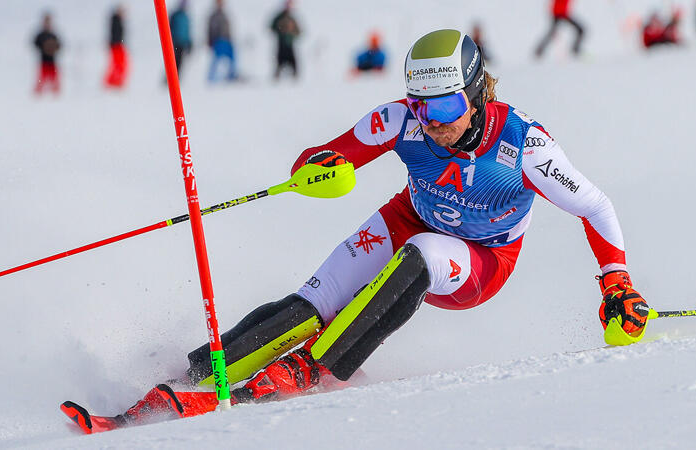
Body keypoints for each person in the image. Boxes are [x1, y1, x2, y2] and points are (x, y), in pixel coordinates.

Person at [69, 29, 650, 426]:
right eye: (422, 108)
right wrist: (315, 167)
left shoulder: (524, 146)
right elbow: (330, 152)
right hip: (409, 218)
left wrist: (616, 284)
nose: (433, 124)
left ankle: (315, 369)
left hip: (480, 262)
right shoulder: (404, 119)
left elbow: (595, 206)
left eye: (446, 108)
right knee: (317, 296)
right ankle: (200, 368)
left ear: (474, 94)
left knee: (421, 253)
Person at [207, 0, 237, 82]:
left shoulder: (224, 14)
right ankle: (211, 78)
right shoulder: (214, 16)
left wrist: (230, 39)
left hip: (227, 40)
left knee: (232, 58)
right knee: (216, 60)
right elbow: (210, 30)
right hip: (218, 41)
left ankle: (231, 76)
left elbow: (228, 29)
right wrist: (210, 41)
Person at [270, 0, 301, 80]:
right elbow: (272, 27)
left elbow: (298, 31)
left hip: (290, 43)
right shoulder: (279, 17)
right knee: (280, 60)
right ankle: (277, 77)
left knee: (293, 61)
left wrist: (292, 34)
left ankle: (295, 77)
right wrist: (280, 32)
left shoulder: (292, 18)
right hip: (281, 43)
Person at [32, 12, 61, 95]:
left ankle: (56, 93)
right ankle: (38, 93)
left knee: (54, 78)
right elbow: (35, 44)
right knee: (41, 78)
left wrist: (54, 48)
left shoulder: (53, 35)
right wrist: (43, 47)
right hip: (43, 61)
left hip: (52, 61)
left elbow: (59, 45)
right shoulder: (40, 35)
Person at [104, 4, 129, 89]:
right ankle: (112, 81)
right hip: (116, 45)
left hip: (117, 44)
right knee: (118, 63)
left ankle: (115, 81)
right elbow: (115, 34)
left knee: (120, 63)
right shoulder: (116, 20)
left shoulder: (117, 20)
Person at [169, 0, 193, 78]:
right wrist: (171, 40)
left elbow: (187, 31)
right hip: (175, 42)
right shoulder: (175, 15)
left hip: (183, 43)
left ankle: (176, 77)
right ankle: (169, 78)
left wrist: (189, 43)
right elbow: (170, 28)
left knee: (180, 62)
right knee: (173, 61)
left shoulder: (186, 17)